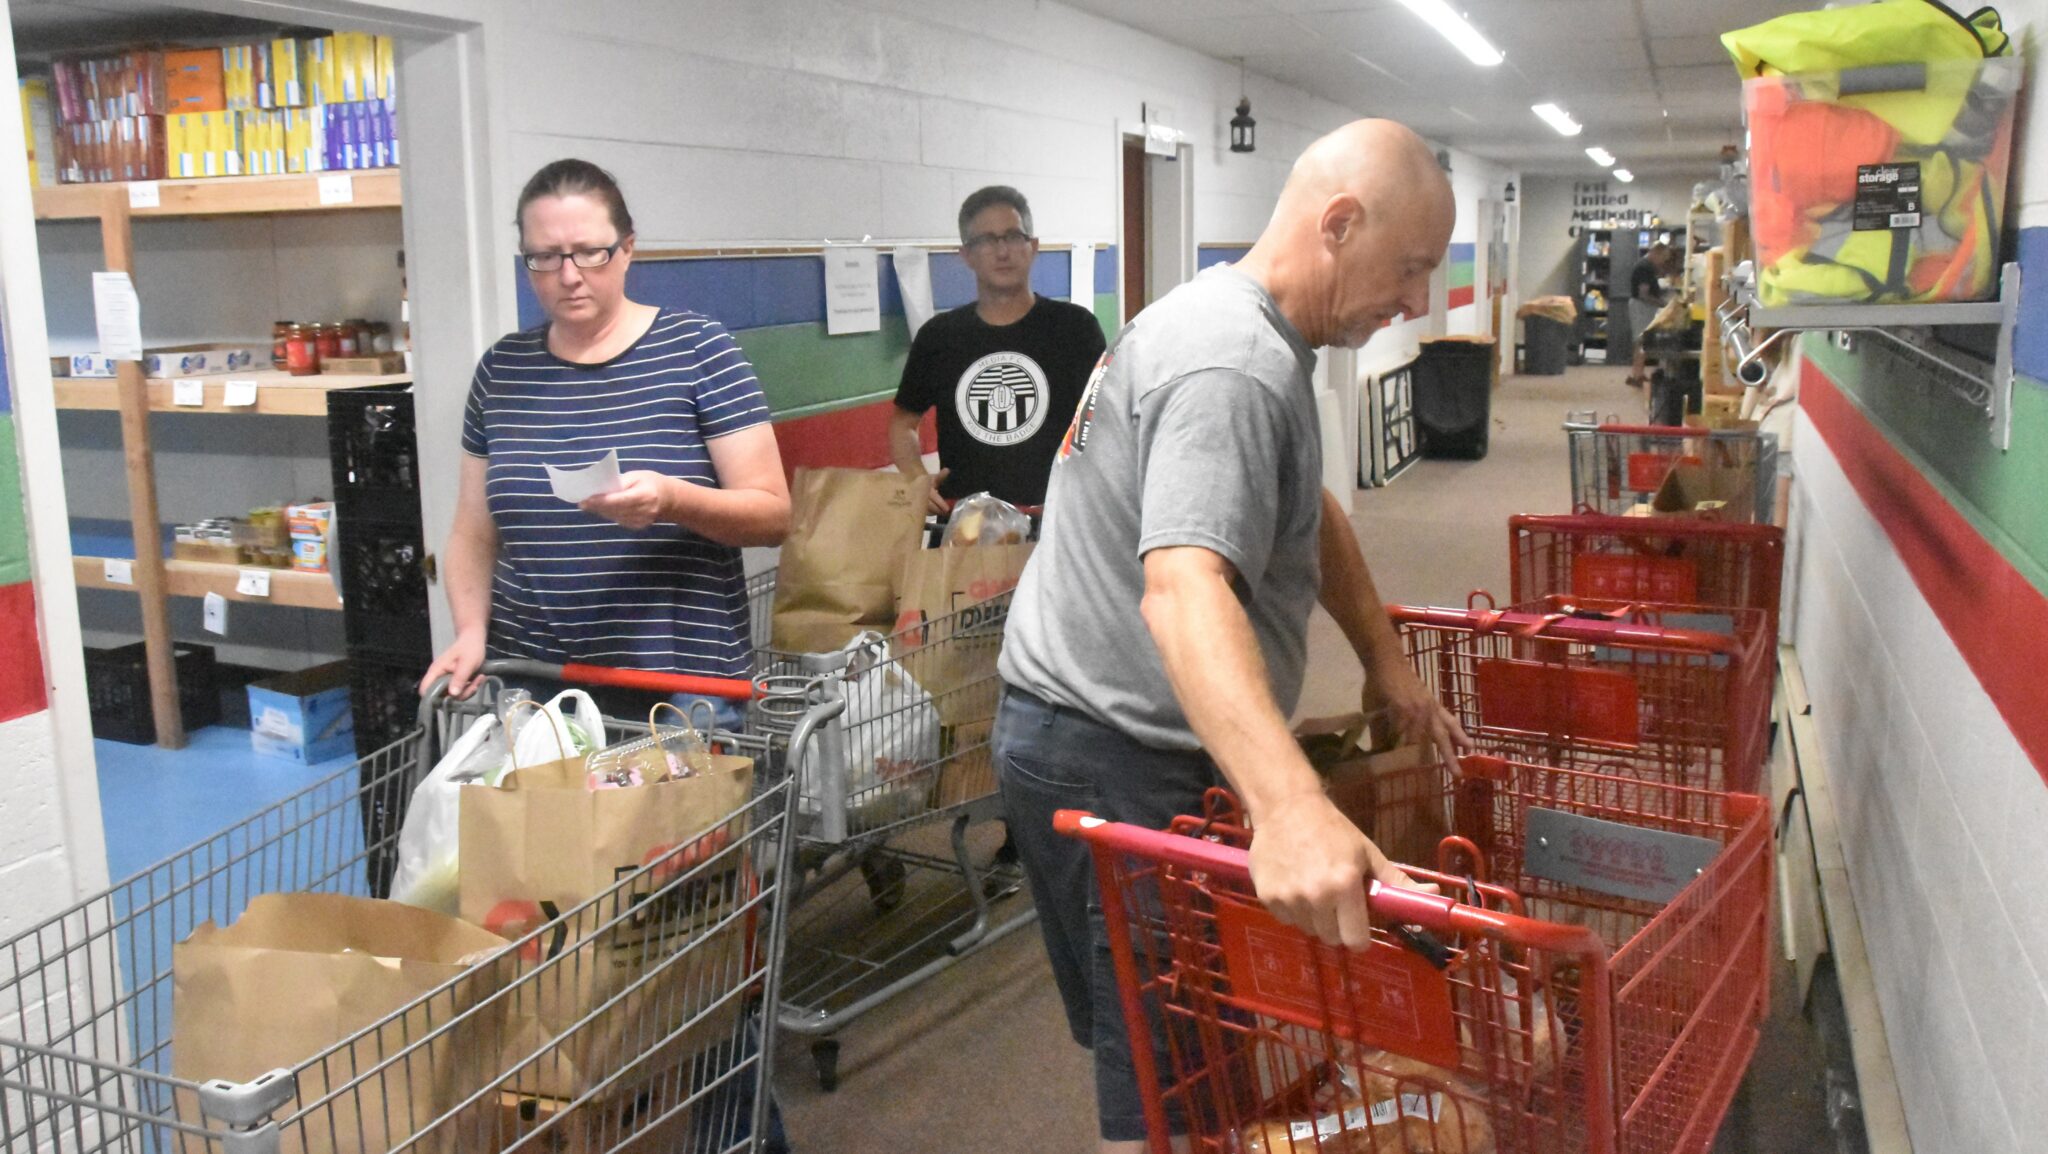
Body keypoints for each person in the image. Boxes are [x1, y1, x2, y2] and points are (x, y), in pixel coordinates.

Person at [992, 119, 1473, 1153]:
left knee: (1182, 1044)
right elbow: (1181, 587)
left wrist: (1384, 660)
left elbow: (1308, 510)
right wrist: (1290, 807)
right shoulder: (1233, 365)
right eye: (1410, 268)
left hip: (1098, 732)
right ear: (1337, 225)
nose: (1416, 300)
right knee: (1166, 1079)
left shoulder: (1252, 332)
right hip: (1108, 752)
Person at [419, 158, 792, 731]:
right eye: (545, 257)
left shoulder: (697, 350)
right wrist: (469, 631)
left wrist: (672, 500)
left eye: (589, 252)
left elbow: (772, 515)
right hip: (536, 685)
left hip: (677, 691)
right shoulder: (503, 370)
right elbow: (472, 530)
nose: (569, 275)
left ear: (627, 249)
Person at [888, 186, 1108, 514]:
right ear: (966, 254)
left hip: (1058, 521)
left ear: (1032, 247)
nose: (1002, 251)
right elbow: (902, 423)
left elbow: (1106, 422)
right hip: (964, 527)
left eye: (1012, 236)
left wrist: (1087, 492)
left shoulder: (1075, 329)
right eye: (986, 240)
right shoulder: (939, 337)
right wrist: (916, 478)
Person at [1624, 242, 1681, 389]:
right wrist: (1664, 305)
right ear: (1656, 253)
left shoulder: (1647, 266)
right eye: (1663, 258)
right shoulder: (1644, 268)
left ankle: (1638, 373)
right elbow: (1644, 294)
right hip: (1641, 307)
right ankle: (1637, 375)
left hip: (1644, 306)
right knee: (1641, 339)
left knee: (1641, 339)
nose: (1663, 262)